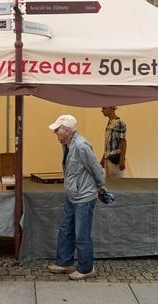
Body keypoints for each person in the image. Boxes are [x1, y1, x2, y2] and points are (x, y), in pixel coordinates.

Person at [47, 114, 105, 281]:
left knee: (81, 234)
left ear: (66, 130)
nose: (55, 132)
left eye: (57, 130)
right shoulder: (67, 144)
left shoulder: (81, 146)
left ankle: (86, 268)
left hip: (84, 196)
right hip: (73, 194)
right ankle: (64, 262)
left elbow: (96, 168)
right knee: (66, 229)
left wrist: (101, 185)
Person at [99, 106, 126, 178]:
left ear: (111, 108)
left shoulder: (120, 123)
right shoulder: (110, 123)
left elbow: (123, 141)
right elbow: (108, 143)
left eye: (104, 108)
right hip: (108, 159)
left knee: (117, 185)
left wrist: (122, 160)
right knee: (109, 184)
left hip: (115, 161)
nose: (102, 110)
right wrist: (103, 158)